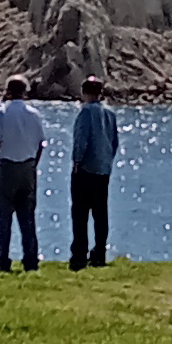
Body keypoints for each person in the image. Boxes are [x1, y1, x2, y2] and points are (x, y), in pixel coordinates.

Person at [0, 75, 47, 273]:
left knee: (4, 217)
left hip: (6, 167)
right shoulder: (35, 114)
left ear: (8, 91)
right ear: (25, 91)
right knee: (28, 217)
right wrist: (33, 164)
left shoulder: (2, 113)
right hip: (28, 168)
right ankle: (31, 260)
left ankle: (3, 260)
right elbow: (41, 144)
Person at [69, 75, 120, 270]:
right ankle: (100, 253)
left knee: (80, 213)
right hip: (103, 169)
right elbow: (114, 142)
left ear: (85, 92)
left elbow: (81, 139)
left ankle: (79, 254)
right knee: (101, 213)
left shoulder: (86, 113)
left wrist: (77, 161)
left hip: (86, 169)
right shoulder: (110, 113)